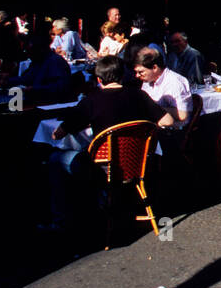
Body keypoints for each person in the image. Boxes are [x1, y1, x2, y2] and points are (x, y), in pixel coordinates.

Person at [43, 56, 174, 232]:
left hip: (101, 168)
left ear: (98, 79)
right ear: (123, 76)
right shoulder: (139, 95)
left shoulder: (91, 100)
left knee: (55, 159)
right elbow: (168, 120)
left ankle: (62, 219)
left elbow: (57, 135)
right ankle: (103, 202)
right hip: (137, 164)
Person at [134, 47, 192, 124]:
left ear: (154, 68)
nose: (137, 76)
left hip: (173, 131)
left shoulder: (174, 82)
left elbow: (182, 115)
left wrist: (154, 109)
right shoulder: (148, 80)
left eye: (140, 72)